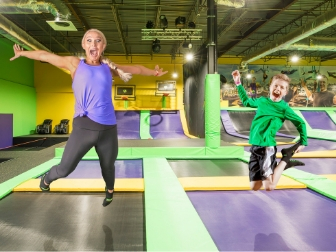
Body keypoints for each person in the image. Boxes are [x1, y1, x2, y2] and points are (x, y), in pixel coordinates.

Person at [10, 28, 168, 206]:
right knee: (65, 169)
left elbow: (136, 69)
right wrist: (22, 53)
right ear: (84, 45)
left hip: (109, 129)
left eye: (98, 40)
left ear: (103, 46)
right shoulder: (75, 64)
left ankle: (109, 191)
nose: (94, 43)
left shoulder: (110, 68)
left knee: (108, 167)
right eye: (89, 40)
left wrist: (153, 73)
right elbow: (44, 56)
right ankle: (47, 179)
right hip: (84, 127)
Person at [231, 70, 307, 191]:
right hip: (255, 146)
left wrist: (303, 142)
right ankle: (279, 166)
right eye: (275, 85)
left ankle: (286, 159)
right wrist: (238, 83)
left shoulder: (284, 108)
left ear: (285, 92)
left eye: (282, 87)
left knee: (269, 186)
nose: (278, 88)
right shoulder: (262, 101)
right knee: (255, 186)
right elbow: (246, 102)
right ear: (270, 87)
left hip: (267, 147)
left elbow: (300, 123)